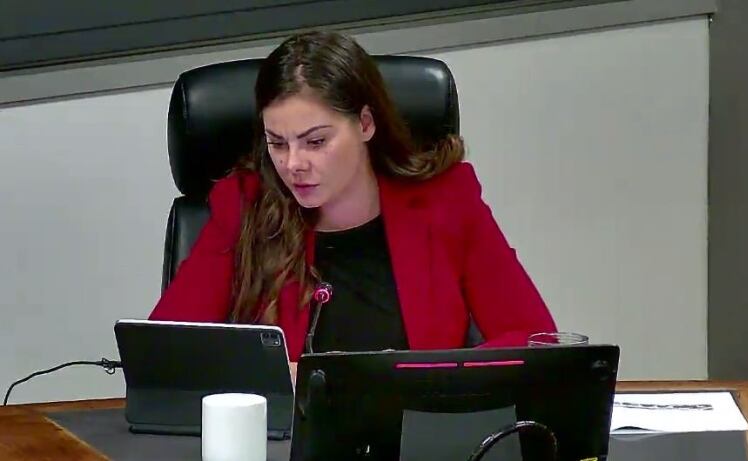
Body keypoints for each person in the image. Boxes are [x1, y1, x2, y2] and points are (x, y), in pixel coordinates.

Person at [149, 30, 556, 366]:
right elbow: (166, 350)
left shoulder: (445, 199)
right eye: (277, 143)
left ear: (364, 123)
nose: (293, 164)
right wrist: (269, 382)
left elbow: (535, 338)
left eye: (316, 142)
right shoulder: (245, 205)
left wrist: (428, 380)